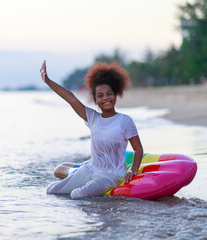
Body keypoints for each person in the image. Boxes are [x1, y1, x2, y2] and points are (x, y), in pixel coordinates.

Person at [40, 60, 143, 199]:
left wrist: (134, 170)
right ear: (95, 100)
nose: (106, 98)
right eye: (100, 96)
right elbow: (71, 98)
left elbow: (138, 149)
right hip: (90, 169)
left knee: (76, 194)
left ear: (115, 95)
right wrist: (48, 81)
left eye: (109, 94)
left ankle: (91, 218)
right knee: (51, 190)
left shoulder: (125, 121)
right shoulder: (92, 118)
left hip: (112, 174)